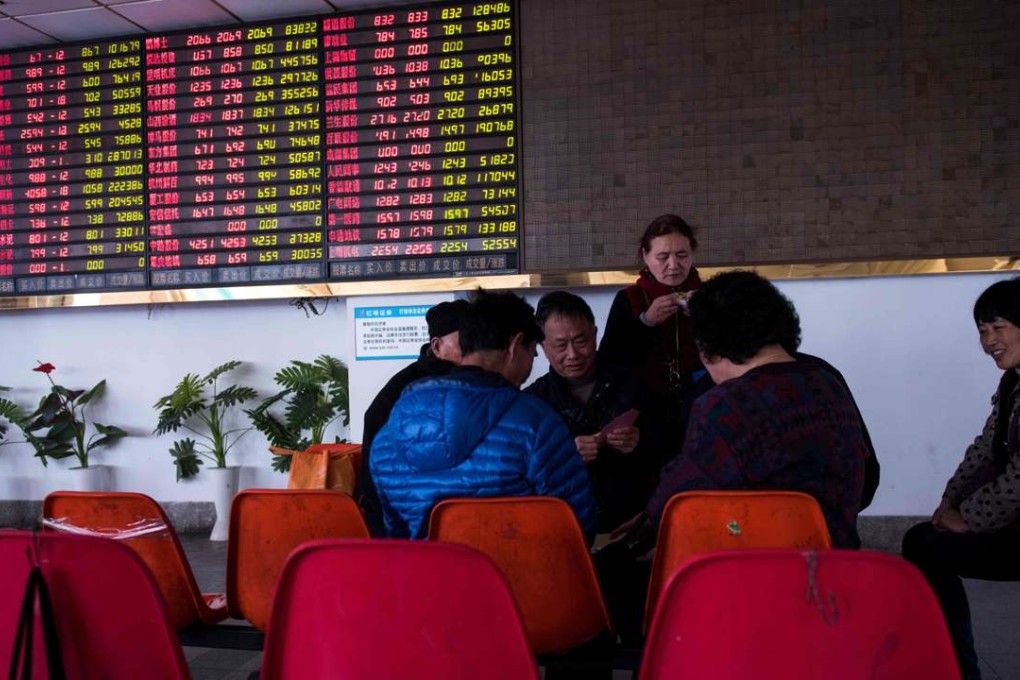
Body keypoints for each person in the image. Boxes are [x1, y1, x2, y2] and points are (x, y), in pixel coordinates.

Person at [619, 270, 871, 550]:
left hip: (757, 577)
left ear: (706, 347)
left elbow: (676, 504)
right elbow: (868, 481)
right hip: (841, 569)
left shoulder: (725, 404)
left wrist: (643, 528)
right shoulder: (827, 380)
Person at [369, 290, 597, 540]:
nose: (529, 369)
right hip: (518, 577)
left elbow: (394, 535)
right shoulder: (536, 424)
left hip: (427, 576)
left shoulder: (387, 437)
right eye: (532, 354)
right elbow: (576, 526)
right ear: (514, 346)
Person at [902, 277, 1020, 680]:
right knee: (924, 540)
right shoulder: (1012, 384)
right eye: (982, 331)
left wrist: (969, 518)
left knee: (925, 545)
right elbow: (984, 449)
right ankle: (955, 667)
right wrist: (948, 504)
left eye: (998, 328)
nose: (989, 341)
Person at [526, 291, 655, 531]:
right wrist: (565, 456)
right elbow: (525, 475)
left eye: (581, 341)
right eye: (561, 345)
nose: (573, 355)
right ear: (543, 346)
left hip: (631, 522)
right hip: (564, 526)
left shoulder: (634, 384)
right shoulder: (534, 402)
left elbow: (668, 449)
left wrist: (641, 440)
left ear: (595, 335)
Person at [356, 299, 469, 535]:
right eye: (466, 344)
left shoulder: (473, 383)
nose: (475, 352)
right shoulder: (405, 390)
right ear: (437, 347)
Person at [597, 214, 704, 460]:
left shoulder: (710, 295)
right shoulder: (629, 298)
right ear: (645, 256)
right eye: (662, 257)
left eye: (682, 255)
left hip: (701, 406)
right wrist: (646, 322)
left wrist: (705, 319)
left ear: (693, 254)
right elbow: (609, 360)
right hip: (644, 416)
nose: (673, 265)